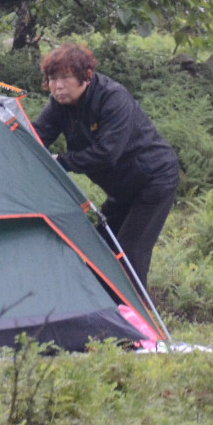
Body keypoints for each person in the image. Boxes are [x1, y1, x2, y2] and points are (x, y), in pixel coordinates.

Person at [32, 41, 180, 289]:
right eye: (52, 78)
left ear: (86, 76)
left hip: (153, 180)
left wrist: (61, 161)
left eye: (65, 78)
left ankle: (137, 320)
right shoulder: (59, 104)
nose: (57, 86)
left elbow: (106, 153)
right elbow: (36, 137)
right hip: (121, 190)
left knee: (129, 253)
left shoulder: (112, 98)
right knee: (98, 248)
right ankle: (103, 315)